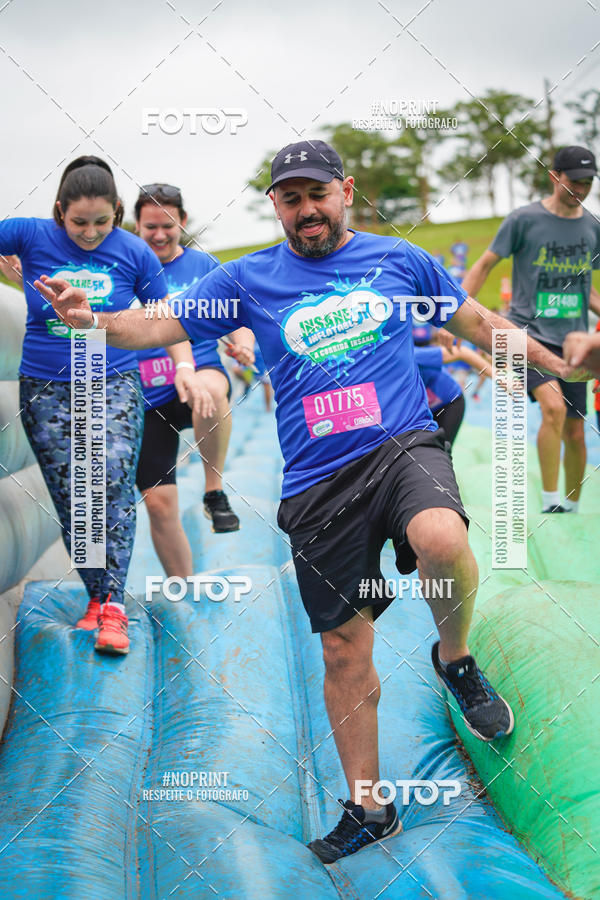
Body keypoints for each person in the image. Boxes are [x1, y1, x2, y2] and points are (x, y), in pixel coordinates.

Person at [36, 140, 593, 862]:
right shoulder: (246, 278)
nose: (307, 210)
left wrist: (559, 366)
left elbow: (482, 325)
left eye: (317, 194)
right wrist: (92, 320)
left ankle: (454, 659)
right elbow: (156, 325)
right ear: (276, 205)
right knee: (341, 649)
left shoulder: (401, 261)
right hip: (316, 482)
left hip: (401, 446)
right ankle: (371, 807)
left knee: (442, 538)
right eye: (291, 198)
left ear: (346, 192)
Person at [0, 156, 205, 654]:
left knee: (109, 484)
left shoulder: (134, 252)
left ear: (117, 211)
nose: (90, 233)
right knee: (73, 496)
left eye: (101, 222)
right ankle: (97, 595)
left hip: (111, 380)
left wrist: (185, 366)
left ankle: (113, 606)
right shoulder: (29, 235)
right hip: (46, 387)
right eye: (78, 223)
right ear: (58, 212)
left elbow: (165, 320)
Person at [462, 146, 600, 513]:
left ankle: (572, 507)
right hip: (528, 335)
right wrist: (455, 308)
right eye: (574, 182)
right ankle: (551, 503)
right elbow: (484, 264)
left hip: (574, 341)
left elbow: (586, 289)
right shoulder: (523, 219)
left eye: (588, 182)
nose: (581, 189)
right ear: (555, 177)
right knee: (553, 408)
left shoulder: (593, 227)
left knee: (576, 430)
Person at [133, 184, 251, 575]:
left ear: (182, 222)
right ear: (136, 226)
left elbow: (239, 317)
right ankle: (181, 587)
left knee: (210, 390)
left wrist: (243, 345)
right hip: (148, 395)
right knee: (158, 504)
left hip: (200, 372)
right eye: (151, 227)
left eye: (168, 225)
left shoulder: (204, 266)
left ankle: (213, 491)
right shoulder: (127, 267)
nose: (160, 234)